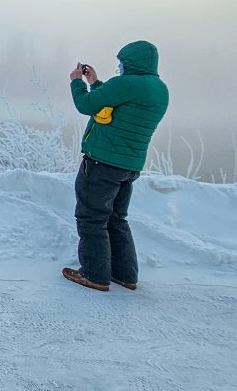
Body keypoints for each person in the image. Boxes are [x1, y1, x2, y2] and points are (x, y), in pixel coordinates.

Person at [63, 40, 169, 292]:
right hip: (129, 166)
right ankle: (125, 274)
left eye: (121, 63)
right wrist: (95, 83)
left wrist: (77, 82)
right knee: (116, 218)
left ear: (130, 62)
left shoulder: (125, 83)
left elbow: (87, 105)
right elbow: (121, 105)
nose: (119, 67)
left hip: (102, 162)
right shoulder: (159, 89)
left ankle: (95, 275)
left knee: (91, 218)